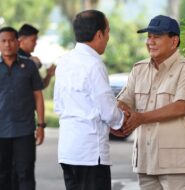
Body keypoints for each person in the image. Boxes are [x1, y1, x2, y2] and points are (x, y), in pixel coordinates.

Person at [113, 15, 185, 190]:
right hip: (146, 162)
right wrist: (119, 121)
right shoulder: (138, 69)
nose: (150, 42)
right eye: (149, 37)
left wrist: (140, 118)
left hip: (179, 164)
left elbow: (182, 107)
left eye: (157, 37)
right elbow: (124, 101)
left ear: (174, 41)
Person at [53, 10, 126, 190]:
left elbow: (58, 104)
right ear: (99, 34)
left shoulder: (64, 61)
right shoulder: (94, 64)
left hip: (68, 151)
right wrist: (122, 119)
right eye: (108, 31)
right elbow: (109, 112)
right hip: (91, 153)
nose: (108, 37)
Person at [0, 27, 45, 190]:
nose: (7, 44)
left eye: (11, 40)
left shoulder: (30, 66)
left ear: (17, 42)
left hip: (24, 130)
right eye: (3, 41)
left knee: (25, 173)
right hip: (1, 131)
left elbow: (38, 96)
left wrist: (41, 125)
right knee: (3, 174)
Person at [18, 23, 56, 88]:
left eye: (36, 40)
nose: (35, 43)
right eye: (33, 40)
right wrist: (30, 63)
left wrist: (49, 75)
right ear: (22, 39)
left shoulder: (30, 59)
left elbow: (40, 85)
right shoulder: (13, 57)